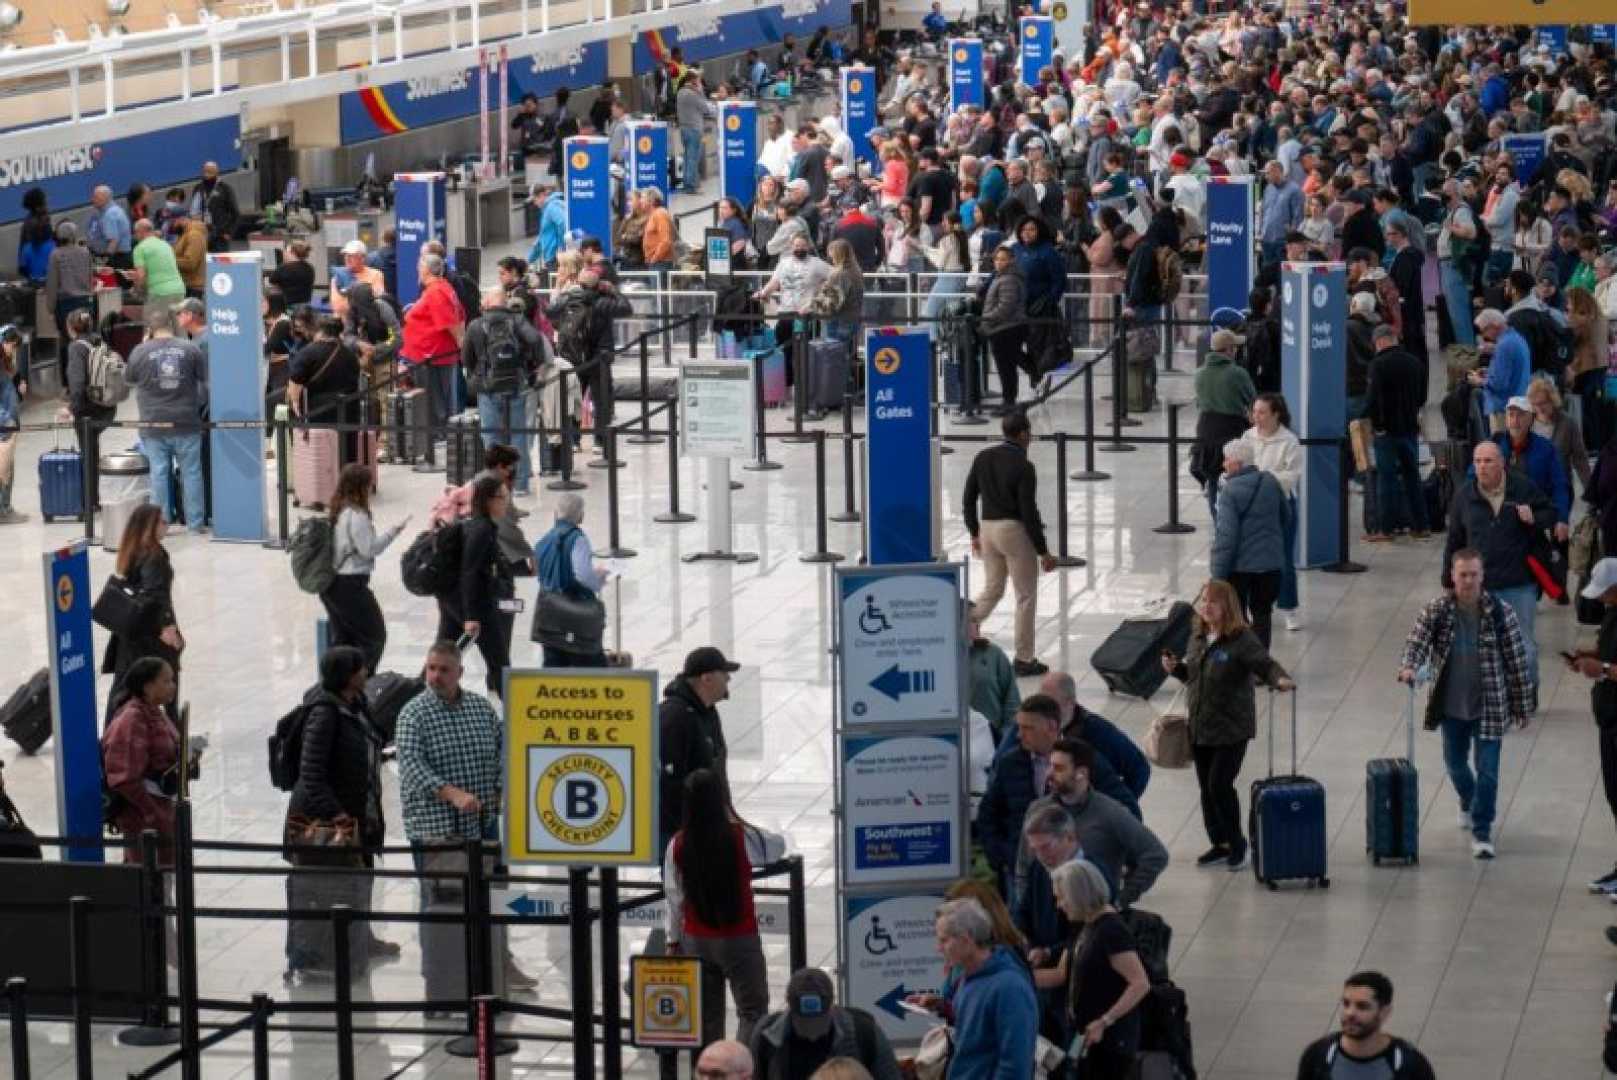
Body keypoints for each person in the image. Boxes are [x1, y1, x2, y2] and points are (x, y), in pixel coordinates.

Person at [1399, 547, 1533, 859]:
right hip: (1451, 707)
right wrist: (1408, 665)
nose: (1469, 581)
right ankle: (1469, 802)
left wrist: (1522, 705)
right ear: (1452, 577)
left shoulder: (1501, 614)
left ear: (1483, 577)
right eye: (1463, 575)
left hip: (1490, 706)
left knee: (1488, 772)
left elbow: (1516, 661)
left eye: (1474, 574)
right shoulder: (1437, 611)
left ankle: (1482, 831)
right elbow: (1416, 642)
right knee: (1456, 765)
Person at [1161, 579, 1294, 871]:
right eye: (1203, 600)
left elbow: (1265, 664)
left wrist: (1280, 679)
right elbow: (1195, 677)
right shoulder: (1197, 636)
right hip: (1200, 725)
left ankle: (1237, 844)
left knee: (1219, 785)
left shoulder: (1241, 639)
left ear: (1227, 606)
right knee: (1206, 789)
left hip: (1231, 728)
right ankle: (1219, 843)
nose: (1206, 606)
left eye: (1213, 601)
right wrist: (1177, 670)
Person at [282, 645, 395, 975]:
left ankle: (364, 937)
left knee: (363, 876)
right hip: (327, 821)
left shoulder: (356, 704)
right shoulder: (324, 714)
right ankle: (317, 954)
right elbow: (311, 774)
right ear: (348, 676)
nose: (366, 672)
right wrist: (338, 815)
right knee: (327, 887)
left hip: (359, 811)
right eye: (361, 668)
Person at [665, 769, 785, 1050]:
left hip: (696, 938)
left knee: (707, 1016)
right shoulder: (741, 837)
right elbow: (777, 846)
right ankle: (742, 1068)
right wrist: (731, 817)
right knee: (752, 1011)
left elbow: (674, 898)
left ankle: (711, 1068)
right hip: (739, 938)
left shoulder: (678, 844)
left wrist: (673, 940)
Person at [1443, 440, 1554, 713]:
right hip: (1481, 587)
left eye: (1488, 461)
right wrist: (1449, 578)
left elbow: (1549, 513)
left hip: (1519, 583)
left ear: (1502, 462)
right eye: (1477, 461)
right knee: (1481, 648)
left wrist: (1533, 518)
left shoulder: (1522, 487)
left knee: (1524, 646)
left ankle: (1527, 695)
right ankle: (1494, 700)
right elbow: (1455, 539)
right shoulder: (1464, 496)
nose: (1482, 467)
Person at [964, 410, 1057, 675]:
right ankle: (1024, 659)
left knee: (993, 588)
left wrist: (974, 533)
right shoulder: (1024, 467)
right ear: (1023, 434)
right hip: (1013, 531)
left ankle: (962, 626)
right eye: (1030, 435)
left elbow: (968, 499)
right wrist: (1043, 551)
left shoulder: (982, 457)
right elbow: (1029, 511)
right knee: (1025, 596)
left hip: (987, 529)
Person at [395, 639, 502, 859]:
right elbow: (412, 766)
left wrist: (500, 787)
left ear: (460, 672)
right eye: (431, 668)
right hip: (437, 828)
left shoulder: (481, 707)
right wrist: (453, 794)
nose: (435, 676)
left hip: (483, 822)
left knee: (486, 891)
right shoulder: (412, 714)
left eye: (444, 670)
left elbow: (503, 749)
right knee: (442, 893)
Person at [1049, 860, 1150, 1078]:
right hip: (1088, 1037)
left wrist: (1105, 1021)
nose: (1059, 905)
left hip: (1111, 1044)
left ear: (1079, 894)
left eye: (1061, 897)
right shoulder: (1087, 924)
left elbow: (1140, 983)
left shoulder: (1111, 930)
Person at [1042, 739, 1167, 907]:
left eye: (1058, 768)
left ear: (1081, 773)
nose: (1048, 774)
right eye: (1049, 765)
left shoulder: (1110, 813)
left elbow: (1156, 854)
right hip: (1048, 912)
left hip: (1092, 913)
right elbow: (1024, 864)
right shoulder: (1039, 810)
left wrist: (1123, 898)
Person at [929, 898, 1038, 1079]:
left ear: (966, 940)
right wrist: (941, 1006)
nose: (938, 948)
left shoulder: (1009, 988)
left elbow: (1015, 1063)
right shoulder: (968, 980)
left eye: (944, 941)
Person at [126, 307, 209, 531]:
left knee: (159, 474)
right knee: (191, 473)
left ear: (150, 329)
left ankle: (160, 526)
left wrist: (144, 344)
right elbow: (205, 381)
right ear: (172, 326)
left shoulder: (139, 352)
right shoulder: (190, 349)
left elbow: (129, 379)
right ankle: (195, 524)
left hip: (153, 423)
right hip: (187, 421)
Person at [976, 694, 1064, 898]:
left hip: (1064, 868)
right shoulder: (1009, 763)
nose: (1018, 735)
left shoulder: (1079, 759)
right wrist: (1000, 857)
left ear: (1051, 727)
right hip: (1017, 870)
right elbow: (988, 813)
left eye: (1027, 728)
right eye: (1019, 727)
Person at [322, 464, 408, 673]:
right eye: (369, 484)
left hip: (332, 584)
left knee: (344, 639)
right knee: (374, 637)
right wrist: (393, 532)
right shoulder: (356, 515)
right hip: (350, 585)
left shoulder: (337, 509)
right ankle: (360, 682)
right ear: (361, 487)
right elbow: (369, 549)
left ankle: (338, 685)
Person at [749, 967, 901, 1080]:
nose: (812, 1035)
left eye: (818, 1023)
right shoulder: (766, 1036)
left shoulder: (864, 1032)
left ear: (832, 1006)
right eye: (803, 1024)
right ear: (789, 1008)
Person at [100, 656, 183, 863]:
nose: (173, 686)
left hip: (162, 808)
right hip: (143, 818)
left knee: (164, 876)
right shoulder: (131, 720)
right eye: (166, 681)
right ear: (147, 686)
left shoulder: (155, 711)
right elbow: (123, 778)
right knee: (149, 879)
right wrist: (151, 812)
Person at [1210, 439, 1288, 650]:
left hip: (1240, 568)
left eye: (1227, 459)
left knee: (1237, 616)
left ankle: (1242, 664)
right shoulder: (1270, 481)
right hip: (1270, 563)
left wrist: (1217, 575)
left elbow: (1226, 537)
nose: (1224, 463)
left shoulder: (1230, 491)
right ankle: (1261, 667)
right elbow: (1286, 516)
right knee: (1263, 613)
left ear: (1237, 463)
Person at [440, 476, 514, 697]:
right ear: (490, 500)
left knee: (443, 654)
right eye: (503, 497)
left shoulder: (478, 525)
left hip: (454, 602)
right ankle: (516, 714)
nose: (506, 502)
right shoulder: (481, 530)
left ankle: (417, 694)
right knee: (499, 662)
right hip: (477, 607)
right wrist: (471, 615)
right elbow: (470, 572)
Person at [659, 646, 739, 849]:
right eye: (724, 673)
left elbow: (716, 769)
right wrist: (686, 830)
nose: (728, 679)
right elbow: (668, 783)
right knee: (680, 881)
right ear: (707, 678)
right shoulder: (675, 717)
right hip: (679, 833)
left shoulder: (707, 713)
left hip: (705, 826)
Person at [462, 290, 541, 496]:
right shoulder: (516, 320)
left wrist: (476, 373)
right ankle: (521, 484)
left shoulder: (476, 325)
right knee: (518, 436)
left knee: (491, 437)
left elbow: (466, 357)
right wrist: (531, 368)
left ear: (487, 302)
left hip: (487, 388)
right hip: (514, 385)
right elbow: (535, 340)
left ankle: (494, 486)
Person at [1570, 560, 1617, 892]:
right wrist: (1588, 656)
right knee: (1614, 796)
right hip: (1609, 719)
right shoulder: (1612, 613)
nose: (1600, 599)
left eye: (1605, 593)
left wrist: (1600, 669)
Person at [1039, 671, 1151, 810]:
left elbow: (1140, 768)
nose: (1045, 712)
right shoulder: (1043, 730)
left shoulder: (1098, 731)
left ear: (1071, 703)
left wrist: (1117, 807)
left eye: (1052, 705)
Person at [1295, 971, 1437, 1079]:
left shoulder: (1409, 1064)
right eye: (1346, 1004)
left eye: (1362, 1006)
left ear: (1384, 1012)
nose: (1350, 1013)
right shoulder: (1318, 1055)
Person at [1241, 393, 1305, 633]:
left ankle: (1289, 608)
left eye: (1262, 412)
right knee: (1248, 559)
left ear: (1275, 414)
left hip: (1281, 505)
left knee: (1283, 559)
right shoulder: (1247, 437)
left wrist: (1264, 480)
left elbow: (1292, 475)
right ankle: (1247, 609)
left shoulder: (1289, 441)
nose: (1256, 417)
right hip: (1252, 507)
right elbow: (1240, 466)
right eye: (1254, 412)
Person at [1364, 322, 1430, 542]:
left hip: (1387, 432)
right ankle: (1421, 525)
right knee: (1412, 477)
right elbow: (1421, 398)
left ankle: (1386, 528)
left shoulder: (1377, 365)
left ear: (1381, 341)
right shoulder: (1415, 362)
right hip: (1409, 429)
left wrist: (1377, 426)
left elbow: (1373, 400)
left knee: (1387, 479)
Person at [532, 492, 609, 668]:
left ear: (555, 513)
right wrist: (599, 579)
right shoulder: (577, 539)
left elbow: (539, 570)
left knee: (554, 666)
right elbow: (583, 575)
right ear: (580, 515)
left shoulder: (544, 540)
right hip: (576, 614)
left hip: (549, 614)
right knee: (590, 665)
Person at [1193, 328, 1257, 520]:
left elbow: (1199, 402)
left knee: (1213, 478)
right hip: (1231, 429)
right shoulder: (1237, 373)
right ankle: (1236, 520)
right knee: (1236, 476)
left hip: (1205, 429)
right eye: (1235, 347)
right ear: (1228, 350)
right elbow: (1253, 400)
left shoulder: (1199, 373)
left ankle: (1218, 522)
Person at [60, 308, 116, 502]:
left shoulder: (76, 347)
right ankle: (93, 498)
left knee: (88, 454)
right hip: (107, 406)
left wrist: (70, 408)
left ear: (70, 328)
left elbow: (77, 383)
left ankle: (90, 501)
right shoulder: (100, 340)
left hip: (87, 409)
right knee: (92, 450)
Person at [979, 245, 1029, 408]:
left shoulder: (1009, 279)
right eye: (997, 259)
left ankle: (1009, 402)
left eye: (1003, 259)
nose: (999, 262)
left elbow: (1005, 307)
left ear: (1011, 260)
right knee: (1006, 367)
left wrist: (985, 318)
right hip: (1002, 328)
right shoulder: (1001, 276)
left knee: (1006, 368)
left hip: (1006, 329)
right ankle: (1008, 400)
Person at [1469, 309, 1530, 432]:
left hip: (1503, 410)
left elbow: (1498, 385)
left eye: (1484, 331)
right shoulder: (1518, 339)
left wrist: (1478, 381)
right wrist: (1489, 372)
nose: (1484, 336)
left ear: (1494, 326)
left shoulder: (1504, 346)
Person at [967, 611, 1020, 744]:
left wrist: (1005, 736)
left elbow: (1012, 701)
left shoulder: (993, 654)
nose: (975, 625)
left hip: (994, 737)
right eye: (968, 620)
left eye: (974, 620)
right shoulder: (942, 659)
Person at [44, 221, 94, 340]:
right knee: (86, 337)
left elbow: (52, 284)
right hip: (85, 302)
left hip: (65, 305)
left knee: (68, 340)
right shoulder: (85, 252)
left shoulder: (56, 255)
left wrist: (50, 308)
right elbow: (90, 277)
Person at [130, 218, 186, 313]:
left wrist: (136, 289)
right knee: (176, 326)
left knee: (155, 327)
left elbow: (141, 276)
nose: (135, 236)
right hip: (178, 290)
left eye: (135, 232)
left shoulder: (140, 248)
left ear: (140, 232)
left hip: (159, 293)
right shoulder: (165, 245)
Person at [0, 329, 23, 526]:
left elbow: (8, 394)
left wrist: (19, 391)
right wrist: (5, 419)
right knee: (3, 467)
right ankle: (3, 510)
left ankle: (5, 507)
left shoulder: (7, 364)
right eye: (11, 345)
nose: (13, 350)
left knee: (8, 467)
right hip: (3, 426)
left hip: (9, 425)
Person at [87, 185, 133, 267]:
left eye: (96, 197)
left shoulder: (109, 215)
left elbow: (113, 241)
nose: (92, 200)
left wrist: (105, 261)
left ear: (105, 197)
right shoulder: (115, 210)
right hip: (121, 257)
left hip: (117, 259)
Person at [172, 213, 209, 298]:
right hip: (188, 284)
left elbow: (190, 263)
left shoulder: (194, 235)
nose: (173, 226)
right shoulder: (186, 234)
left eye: (174, 222)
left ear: (181, 220)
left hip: (192, 287)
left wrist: (169, 260)